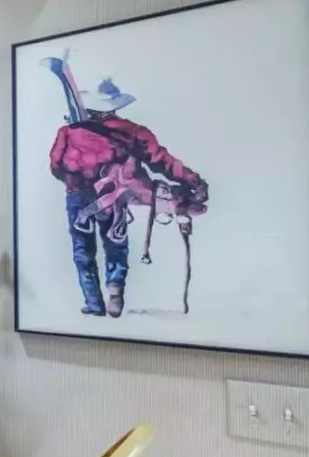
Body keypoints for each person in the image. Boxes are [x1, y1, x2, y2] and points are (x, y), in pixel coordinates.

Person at [48, 78, 208, 317]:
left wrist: (78, 178)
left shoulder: (67, 132)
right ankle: (115, 292)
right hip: (114, 197)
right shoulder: (134, 131)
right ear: (114, 106)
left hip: (77, 198)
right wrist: (193, 180)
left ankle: (93, 302)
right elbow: (161, 161)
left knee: (82, 250)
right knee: (115, 245)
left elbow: (55, 166)